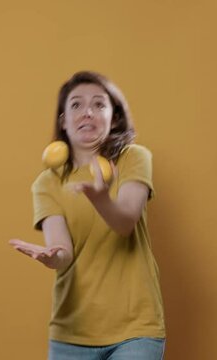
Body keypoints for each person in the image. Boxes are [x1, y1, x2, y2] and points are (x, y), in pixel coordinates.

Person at [9, 71, 166, 359]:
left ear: (114, 118)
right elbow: (63, 252)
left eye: (99, 105)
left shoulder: (134, 158)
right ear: (63, 121)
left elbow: (126, 221)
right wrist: (51, 256)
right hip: (72, 333)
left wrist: (101, 198)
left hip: (136, 328)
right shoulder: (48, 182)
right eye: (76, 105)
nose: (88, 113)